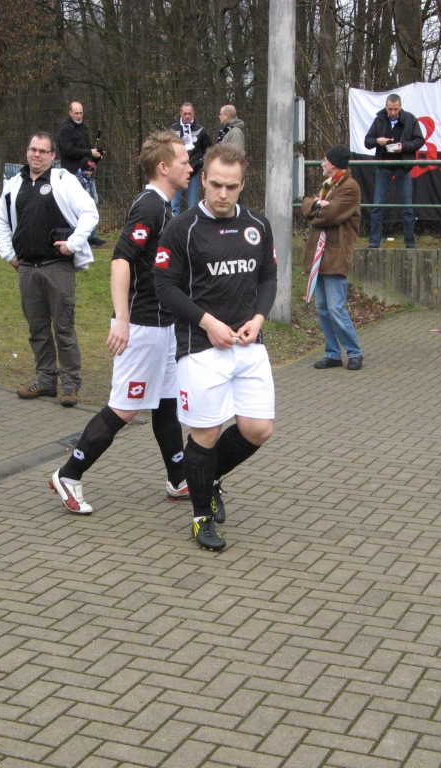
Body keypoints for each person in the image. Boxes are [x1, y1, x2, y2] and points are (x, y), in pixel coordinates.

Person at [50, 130, 193, 514]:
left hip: (165, 326)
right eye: (183, 162)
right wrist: (123, 319)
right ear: (163, 167)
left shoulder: (165, 207)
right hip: (142, 326)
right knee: (125, 409)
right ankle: (68, 474)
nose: (190, 168)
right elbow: (121, 259)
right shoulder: (149, 207)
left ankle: (178, 478)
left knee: (166, 403)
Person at [154, 144, 278, 552]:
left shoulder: (257, 225)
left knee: (258, 429)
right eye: (216, 184)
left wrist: (259, 318)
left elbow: (268, 278)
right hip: (201, 345)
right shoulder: (181, 227)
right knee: (206, 432)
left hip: (248, 344)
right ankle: (201, 517)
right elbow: (164, 287)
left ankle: (208, 480)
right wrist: (208, 323)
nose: (223, 193)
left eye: (232, 186)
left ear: (243, 185)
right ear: (203, 179)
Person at [0, 132, 99, 407]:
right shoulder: (14, 184)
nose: (36, 155)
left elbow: (89, 212)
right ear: (27, 152)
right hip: (27, 268)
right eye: (33, 149)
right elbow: (0, 219)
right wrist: (9, 255)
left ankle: (70, 385)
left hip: (57, 266)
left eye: (42, 151)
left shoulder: (64, 181)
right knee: (37, 328)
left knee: (64, 328)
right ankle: (46, 380)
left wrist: (73, 244)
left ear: (53, 155)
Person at [302, 145, 363, 371]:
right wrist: (317, 204)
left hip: (336, 254)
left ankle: (354, 352)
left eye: (325, 160)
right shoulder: (329, 186)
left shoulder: (350, 187)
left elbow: (328, 215)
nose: (322, 164)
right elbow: (306, 205)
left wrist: (315, 208)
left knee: (336, 308)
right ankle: (332, 353)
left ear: (334, 164)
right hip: (320, 255)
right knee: (323, 308)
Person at [363, 94, 425, 249]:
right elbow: (367, 141)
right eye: (390, 109)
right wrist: (377, 141)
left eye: (395, 109)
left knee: (407, 207)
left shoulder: (410, 119)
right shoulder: (379, 119)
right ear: (386, 107)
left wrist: (403, 147)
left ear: (400, 107)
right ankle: (374, 242)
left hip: (403, 166)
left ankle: (410, 243)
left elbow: (419, 141)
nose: (392, 112)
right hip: (383, 166)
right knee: (377, 206)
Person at [58, 101, 105, 247]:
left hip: (87, 172)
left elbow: (86, 149)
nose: (79, 116)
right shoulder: (65, 129)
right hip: (73, 173)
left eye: (81, 113)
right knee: (77, 206)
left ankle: (92, 235)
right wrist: (89, 152)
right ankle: (78, 235)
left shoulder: (83, 127)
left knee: (93, 202)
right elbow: (68, 151)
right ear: (70, 113)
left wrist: (96, 155)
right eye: (76, 113)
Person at [170, 103, 213, 216]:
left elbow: (208, 150)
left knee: (193, 204)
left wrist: (200, 163)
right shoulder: (173, 129)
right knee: (174, 205)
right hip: (177, 171)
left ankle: (191, 224)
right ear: (180, 114)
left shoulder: (201, 130)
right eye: (185, 114)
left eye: (189, 113)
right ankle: (174, 225)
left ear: (193, 113)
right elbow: (166, 148)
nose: (187, 116)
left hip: (193, 172)